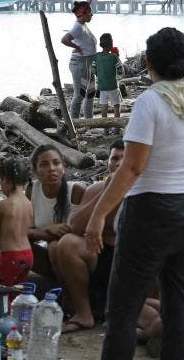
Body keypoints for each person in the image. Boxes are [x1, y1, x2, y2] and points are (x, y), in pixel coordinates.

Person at [85, 6, 184, 359]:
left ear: (148, 62)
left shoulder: (149, 102)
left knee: (122, 309)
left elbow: (132, 168)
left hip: (151, 212)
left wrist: (98, 215)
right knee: (179, 304)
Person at [56, 139, 124, 334]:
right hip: (101, 255)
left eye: (123, 158)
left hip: (133, 260)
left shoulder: (142, 191)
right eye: (114, 158)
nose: (118, 163)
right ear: (108, 163)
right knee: (67, 243)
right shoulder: (95, 190)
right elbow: (76, 227)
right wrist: (108, 193)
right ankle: (83, 313)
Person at [25, 144, 87, 280]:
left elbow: (75, 232)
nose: (51, 169)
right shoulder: (32, 190)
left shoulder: (76, 191)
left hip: (79, 254)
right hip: (50, 256)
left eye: (56, 163)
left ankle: (67, 291)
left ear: (63, 168)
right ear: (35, 171)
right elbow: (22, 232)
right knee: (19, 247)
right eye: (44, 164)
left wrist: (41, 234)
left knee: (54, 246)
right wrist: (47, 230)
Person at [0, 158, 33, 287]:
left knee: (1, 295)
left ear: (5, 179)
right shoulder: (29, 203)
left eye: (0, 181)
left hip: (11, 257)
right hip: (28, 255)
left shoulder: (2, 205)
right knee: (18, 293)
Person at [61, 1, 97, 119]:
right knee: (79, 94)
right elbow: (65, 39)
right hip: (80, 63)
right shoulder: (78, 27)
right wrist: (77, 47)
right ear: (83, 14)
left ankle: (88, 120)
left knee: (91, 92)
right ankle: (74, 123)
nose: (92, 15)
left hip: (88, 63)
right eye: (90, 13)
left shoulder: (83, 25)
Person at [93, 33, 124, 126]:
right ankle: (117, 127)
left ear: (101, 44)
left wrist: (99, 74)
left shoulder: (97, 56)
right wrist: (119, 76)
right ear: (111, 44)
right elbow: (120, 70)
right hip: (113, 86)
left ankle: (105, 127)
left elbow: (93, 69)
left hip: (102, 86)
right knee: (116, 106)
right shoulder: (114, 57)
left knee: (104, 106)